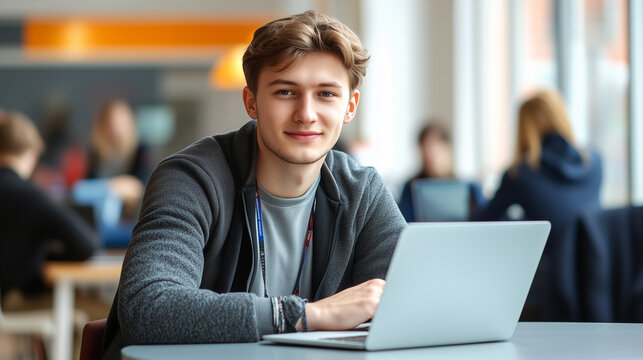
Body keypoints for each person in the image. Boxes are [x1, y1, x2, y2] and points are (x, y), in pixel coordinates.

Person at [101, 10, 406, 359]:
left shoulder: (362, 191)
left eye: (326, 94)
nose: (306, 113)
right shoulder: (191, 178)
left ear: (349, 106)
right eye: (286, 92)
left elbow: (409, 303)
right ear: (252, 102)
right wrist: (307, 316)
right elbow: (149, 307)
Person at [471, 89, 602, 320]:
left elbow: (483, 221)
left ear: (525, 128)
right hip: (595, 271)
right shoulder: (595, 162)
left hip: (549, 280)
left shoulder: (521, 173)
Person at [0, 109, 98, 297]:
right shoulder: (32, 197)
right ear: (33, 155)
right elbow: (86, 245)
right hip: (19, 300)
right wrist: (46, 261)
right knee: (100, 313)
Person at [397, 121, 485, 222]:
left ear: (447, 148)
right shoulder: (411, 188)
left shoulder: (469, 188)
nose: (429, 156)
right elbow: (403, 223)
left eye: (434, 148)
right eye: (425, 149)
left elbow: (484, 218)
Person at [86, 99, 153, 221]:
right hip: (99, 214)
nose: (115, 127)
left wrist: (108, 188)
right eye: (110, 122)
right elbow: (88, 185)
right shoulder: (95, 153)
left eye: (119, 122)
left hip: (131, 214)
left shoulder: (140, 150)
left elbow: (140, 185)